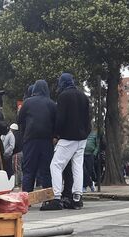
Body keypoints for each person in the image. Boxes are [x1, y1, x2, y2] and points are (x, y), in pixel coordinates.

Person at [42, 73, 90, 210]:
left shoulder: (64, 96)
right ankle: (77, 198)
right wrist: (85, 133)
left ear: (62, 83)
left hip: (68, 137)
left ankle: (56, 198)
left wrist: (56, 134)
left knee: (55, 165)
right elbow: (88, 118)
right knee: (77, 166)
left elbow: (60, 118)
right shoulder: (83, 96)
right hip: (82, 138)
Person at [17, 79, 56, 192]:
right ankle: (47, 197)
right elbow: (56, 121)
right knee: (46, 170)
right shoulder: (51, 103)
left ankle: (26, 197)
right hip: (46, 140)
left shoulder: (27, 102)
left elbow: (19, 120)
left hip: (30, 139)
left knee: (29, 169)